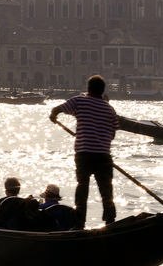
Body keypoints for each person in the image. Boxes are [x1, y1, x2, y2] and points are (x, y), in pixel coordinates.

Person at [50, 74, 119, 228]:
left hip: (84, 153)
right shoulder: (110, 109)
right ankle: (110, 220)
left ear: (88, 89)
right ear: (102, 91)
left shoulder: (80, 101)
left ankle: (80, 222)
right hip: (103, 155)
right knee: (106, 190)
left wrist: (53, 116)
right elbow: (113, 134)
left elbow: (57, 109)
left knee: (82, 188)